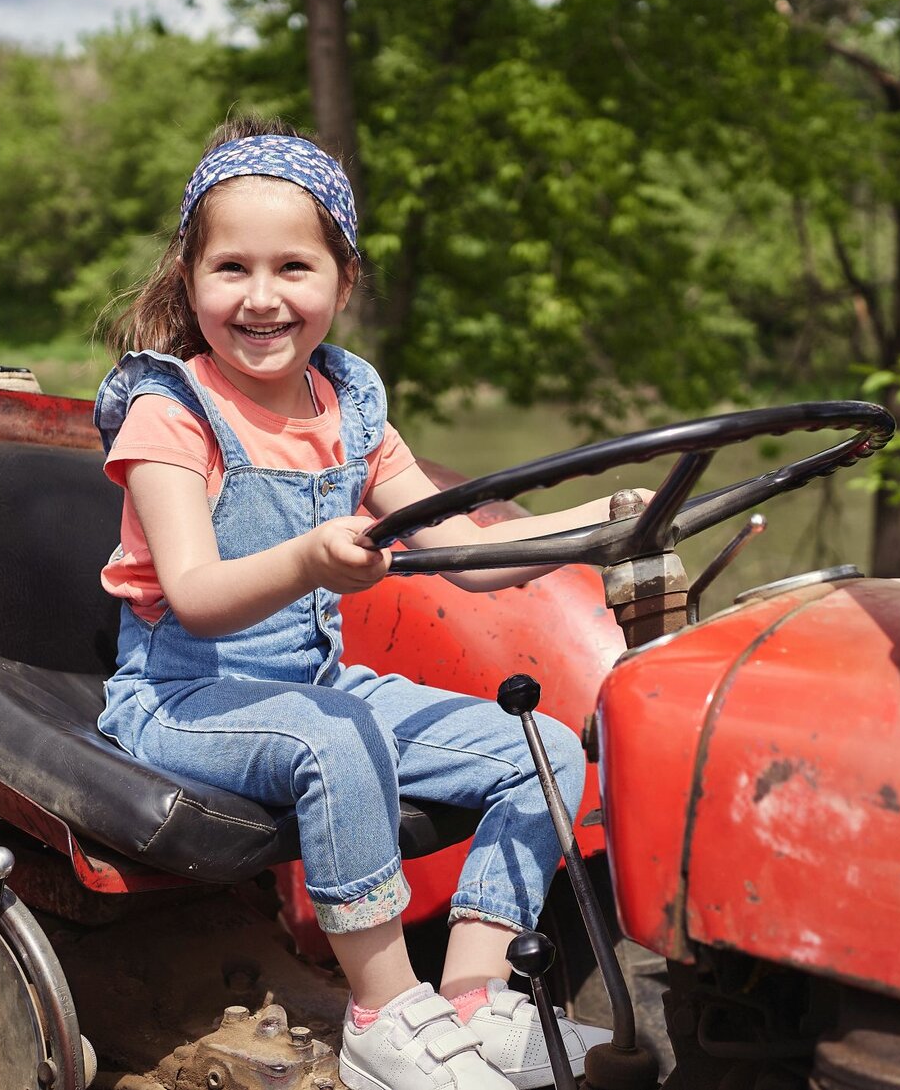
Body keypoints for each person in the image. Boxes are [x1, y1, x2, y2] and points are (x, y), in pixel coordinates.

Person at [94, 116, 624, 1090]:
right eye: (231, 269)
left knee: (545, 749)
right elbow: (199, 597)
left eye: (294, 268)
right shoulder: (169, 411)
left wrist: (601, 522)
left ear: (343, 280)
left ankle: (472, 994)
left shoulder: (352, 404)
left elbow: (461, 552)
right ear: (188, 279)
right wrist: (308, 559)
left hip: (317, 682)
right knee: (333, 738)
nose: (262, 298)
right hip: (182, 699)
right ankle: (383, 1015)